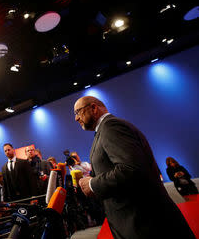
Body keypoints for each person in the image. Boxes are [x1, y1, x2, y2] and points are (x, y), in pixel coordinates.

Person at [74, 96, 194, 239]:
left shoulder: (111, 127)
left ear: (94, 108)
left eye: (78, 112)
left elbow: (131, 169)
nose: (76, 118)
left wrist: (92, 184)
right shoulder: (105, 130)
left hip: (146, 225)